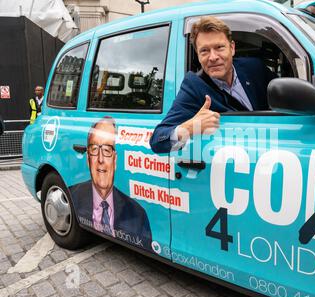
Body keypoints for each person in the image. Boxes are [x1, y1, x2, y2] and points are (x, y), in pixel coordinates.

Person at [150, 16, 277, 154]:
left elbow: (287, 98)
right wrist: (190, 127)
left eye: (219, 47)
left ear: (232, 48)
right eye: (204, 51)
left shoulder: (254, 68)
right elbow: (157, 141)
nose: (213, 57)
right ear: (198, 55)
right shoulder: (194, 86)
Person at [69, 117, 152, 250]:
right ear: (88, 159)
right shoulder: (73, 196)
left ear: (115, 160)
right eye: (94, 149)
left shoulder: (137, 214)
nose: (101, 159)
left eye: (107, 150)